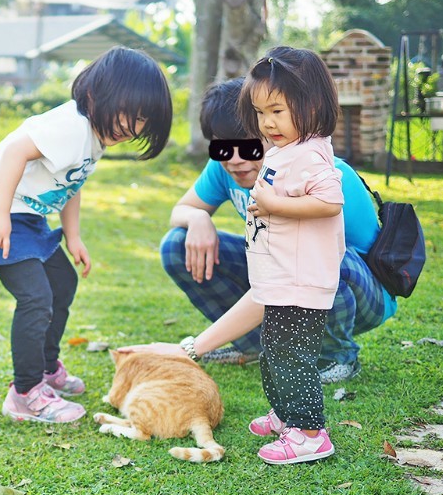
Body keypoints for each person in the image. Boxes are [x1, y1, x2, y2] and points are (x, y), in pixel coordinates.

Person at [0, 46, 173, 423]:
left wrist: (73, 236)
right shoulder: (72, 127)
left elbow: (70, 182)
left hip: (26, 215)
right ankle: (25, 392)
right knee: (36, 297)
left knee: (62, 283)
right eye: (125, 110)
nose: (130, 125)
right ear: (95, 94)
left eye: (142, 117)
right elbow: (14, 153)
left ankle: (47, 368)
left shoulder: (95, 137)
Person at [159, 77, 396, 383]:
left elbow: (283, 277)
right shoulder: (225, 164)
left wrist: (192, 348)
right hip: (290, 275)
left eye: (248, 146)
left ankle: (337, 357)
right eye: (223, 147)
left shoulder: (305, 173)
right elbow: (180, 210)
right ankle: (255, 346)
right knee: (176, 246)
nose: (235, 160)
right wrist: (198, 218)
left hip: (361, 293)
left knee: (320, 257)